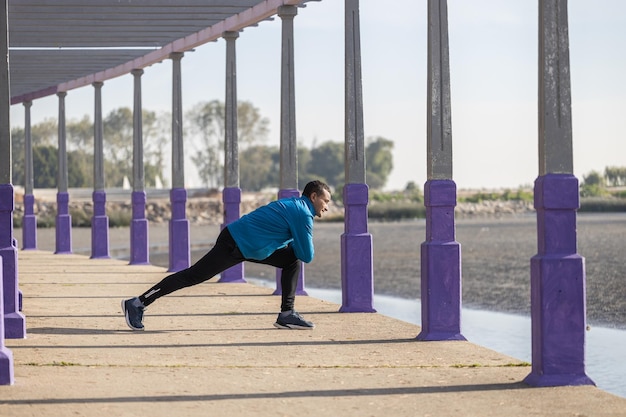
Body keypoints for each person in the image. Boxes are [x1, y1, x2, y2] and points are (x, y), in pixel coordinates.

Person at [122, 180, 332, 331]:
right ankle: (138, 303)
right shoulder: (302, 212)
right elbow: (308, 255)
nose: (327, 207)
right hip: (235, 243)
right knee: (193, 276)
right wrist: (297, 240)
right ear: (313, 196)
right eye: (326, 201)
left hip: (250, 246)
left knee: (290, 261)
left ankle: (287, 314)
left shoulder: (294, 205)